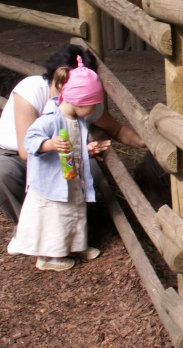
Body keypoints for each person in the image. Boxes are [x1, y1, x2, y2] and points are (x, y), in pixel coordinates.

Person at [0, 44, 146, 224]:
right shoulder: (32, 91)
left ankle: (73, 224)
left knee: (93, 171)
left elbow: (116, 129)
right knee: (4, 174)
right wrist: (81, 151)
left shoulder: (82, 98)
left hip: (64, 156)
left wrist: (144, 142)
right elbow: (26, 151)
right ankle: (26, 226)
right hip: (17, 155)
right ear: (59, 80)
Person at [7, 56, 109, 271]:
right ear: (77, 100)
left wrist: (86, 149)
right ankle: (49, 257)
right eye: (91, 105)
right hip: (53, 180)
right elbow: (30, 140)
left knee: (74, 212)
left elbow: (74, 143)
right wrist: (49, 144)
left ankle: (75, 245)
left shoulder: (77, 120)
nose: (93, 111)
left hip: (71, 178)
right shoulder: (50, 119)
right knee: (55, 217)